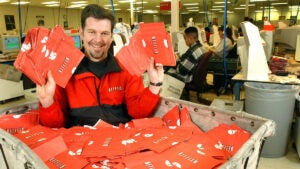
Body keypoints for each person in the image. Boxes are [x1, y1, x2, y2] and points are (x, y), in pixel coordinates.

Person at [37, 4, 164, 128]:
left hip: (120, 141)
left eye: (104, 33)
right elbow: (55, 126)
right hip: (79, 144)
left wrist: (154, 85)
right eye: (92, 32)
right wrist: (47, 101)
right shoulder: (64, 73)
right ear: (81, 33)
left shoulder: (126, 69)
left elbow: (138, 113)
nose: (98, 40)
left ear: (111, 36)